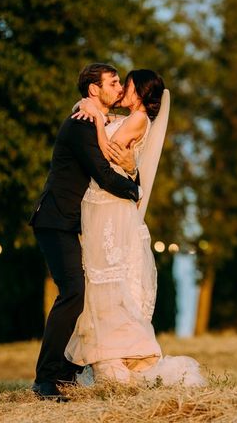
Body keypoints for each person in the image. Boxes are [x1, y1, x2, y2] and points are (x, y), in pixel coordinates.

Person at [65, 69, 204, 387]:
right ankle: (107, 354)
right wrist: (92, 109)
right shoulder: (125, 116)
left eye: (125, 85)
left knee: (109, 275)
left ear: (139, 92)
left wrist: (98, 122)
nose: (121, 89)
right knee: (98, 276)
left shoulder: (139, 118)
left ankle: (123, 353)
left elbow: (105, 152)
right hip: (99, 203)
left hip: (112, 207)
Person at [29, 63, 142, 400]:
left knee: (80, 292)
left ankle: (64, 372)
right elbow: (103, 174)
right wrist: (136, 190)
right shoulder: (81, 124)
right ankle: (47, 379)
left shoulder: (94, 120)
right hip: (54, 220)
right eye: (113, 82)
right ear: (94, 89)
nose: (120, 87)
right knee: (74, 292)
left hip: (68, 222)